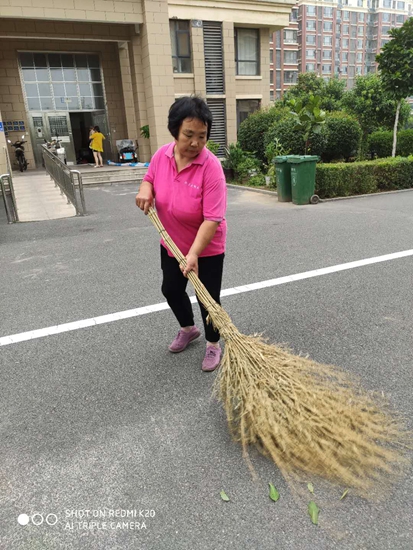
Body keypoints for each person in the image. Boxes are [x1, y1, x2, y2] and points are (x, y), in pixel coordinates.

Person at [135, 96, 227, 372]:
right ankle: (188, 328)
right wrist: (145, 190)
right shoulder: (161, 156)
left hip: (206, 249)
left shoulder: (212, 168)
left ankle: (213, 344)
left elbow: (212, 219)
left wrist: (194, 254)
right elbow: (149, 179)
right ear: (175, 130)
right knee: (171, 289)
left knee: (208, 299)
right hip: (171, 243)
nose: (195, 142)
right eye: (189, 135)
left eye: (202, 136)